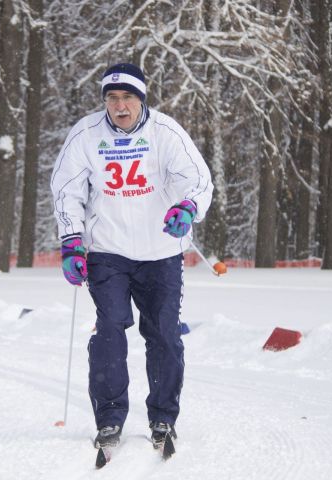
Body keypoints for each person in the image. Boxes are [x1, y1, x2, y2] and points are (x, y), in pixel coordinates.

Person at [50, 63, 213, 451]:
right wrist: (72, 241)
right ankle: (109, 419)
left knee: (164, 335)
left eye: (128, 98)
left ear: (142, 99)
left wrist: (187, 208)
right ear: (105, 101)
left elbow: (198, 179)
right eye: (113, 98)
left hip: (161, 252)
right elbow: (66, 190)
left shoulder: (166, 132)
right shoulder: (86, 135)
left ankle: (162, 416)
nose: (120, 106)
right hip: (108, 251)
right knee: (109, 330)